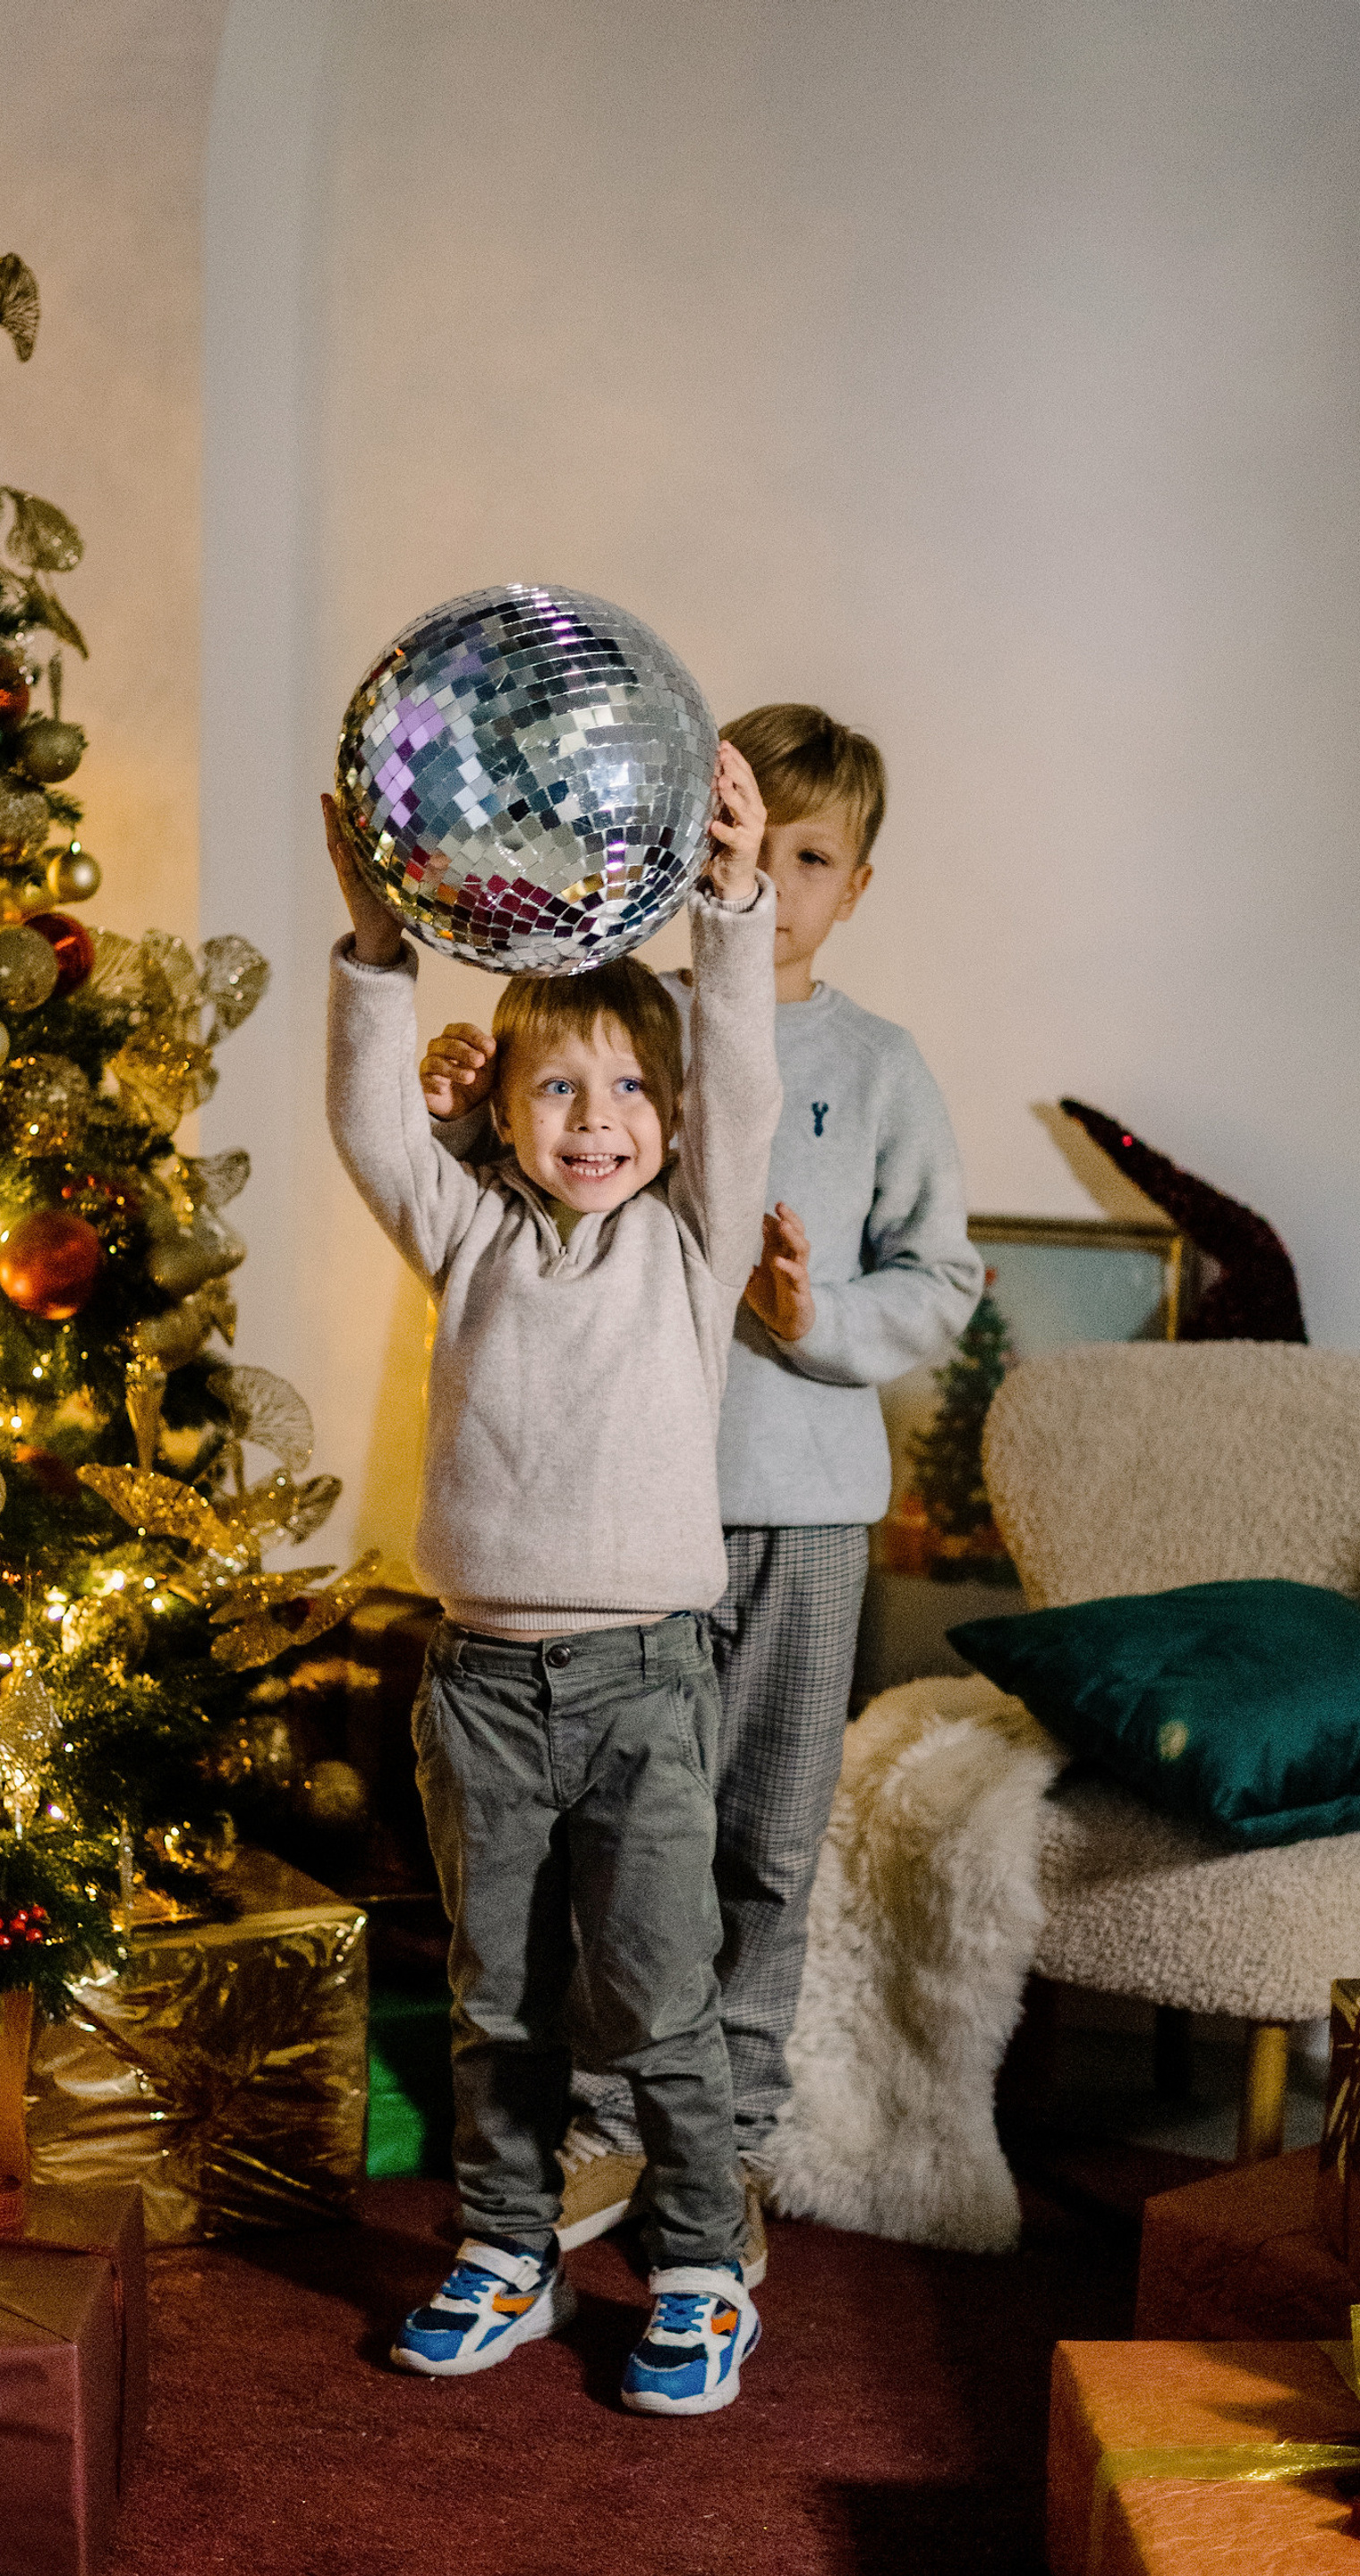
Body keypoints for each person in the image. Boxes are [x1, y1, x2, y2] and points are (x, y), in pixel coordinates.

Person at [420, 705, 984, 2257]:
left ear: (855, 886)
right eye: (761, 849)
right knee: (620, 1852)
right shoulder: (627, 1035)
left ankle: (725, 2137)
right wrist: (468, 1100)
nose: (782, 884)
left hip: (800, 1509)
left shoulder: (877, 1066)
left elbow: (941, 1279)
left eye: (817, 860)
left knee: (763, 1840)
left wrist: (821, 1319)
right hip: (615, 1534)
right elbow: (506, 1226)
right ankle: (611, 2126)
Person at [322, 745, 780, 2417]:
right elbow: (375, 1129)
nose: (600, 1123)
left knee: (660, 2001)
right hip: (481, 1688)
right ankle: (509, 2247)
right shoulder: (469, 1234)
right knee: (498, 1999)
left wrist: (730, 906)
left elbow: (735, 1067)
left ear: (674, 1122)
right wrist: (379, 944)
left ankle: (698, 2270)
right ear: (504, 1113)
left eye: (628, 1094)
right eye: (560, 1093)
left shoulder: (694, 1239)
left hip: (646, 1684)